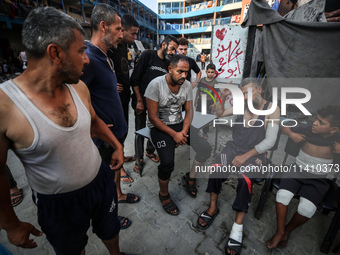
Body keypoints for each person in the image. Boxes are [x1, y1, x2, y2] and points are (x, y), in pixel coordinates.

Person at [0, 7, 126, 254]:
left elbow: (93, 120)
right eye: (81, 51)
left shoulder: (78, 87)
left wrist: (117, 145)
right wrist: (10, 224)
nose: (87, 59)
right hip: (58, 204)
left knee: (111, 230)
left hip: (100, 181)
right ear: (55, 53)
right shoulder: (5, 106)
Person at [197, 78, 280, 255]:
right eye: (242, 93)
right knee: (217, 167)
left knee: (245, 179)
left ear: (258, 89)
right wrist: (222, 97)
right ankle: (213, 207)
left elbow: (271, 141)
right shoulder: (243, 105)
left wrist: (245, 157)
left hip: (255, 154)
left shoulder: (272, 109)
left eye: (248, 92)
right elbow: (219, 114)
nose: (244, 96)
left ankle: (237, 226)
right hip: (235, 147)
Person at [80, 4, 140, 229]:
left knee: (114, 174)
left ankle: (119, 195)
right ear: (103, 26)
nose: (121, 34)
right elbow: (74, 100)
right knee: (103, 188)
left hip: (115, 136)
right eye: (117, 29)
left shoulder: (106, 57)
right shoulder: (87, 59)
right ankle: (109, 221)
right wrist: (93, 124)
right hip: (104, 139)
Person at [145, 54, 211, 215]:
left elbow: (189, 112)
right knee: (167, 163)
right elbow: (153, 117)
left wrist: (183, 131)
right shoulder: (155, 85)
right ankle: (164, 194)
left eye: (186, 72)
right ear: (170, 69)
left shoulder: (187, 85)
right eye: (180, 71)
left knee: (205, 148)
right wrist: (174, 135)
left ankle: (190, 176)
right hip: (159, 127)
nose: (183, 76)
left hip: (179, 124)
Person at [266, 105, 340, 249]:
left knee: (307, 209)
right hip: (295, 171)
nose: (315, 123)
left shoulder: (337, 138)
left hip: (318, 179)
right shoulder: (308, 129)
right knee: (282, 195)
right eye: (317, 119)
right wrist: (291, 134)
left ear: (334, 130)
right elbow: (285, 126)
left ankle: (287, 230)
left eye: (321, 122)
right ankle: (280, 231)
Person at [130, 35, 179, 173]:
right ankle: (138, 158)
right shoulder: (148, 55)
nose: (172, 52)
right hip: (140, 101)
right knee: (140, 130)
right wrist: (139, 100)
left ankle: (149, 151)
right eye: (171, 48)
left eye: (174, 50)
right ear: (163, 45)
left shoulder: (167, 65)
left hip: (156, 104)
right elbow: (134, 79)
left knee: (155, 128)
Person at [108, 13, 139, 183]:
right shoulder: (112, 47)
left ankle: (121, 154)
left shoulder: (124, 47)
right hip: (115, 100)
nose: (135, 37)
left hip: (124, 98)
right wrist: (112, 84)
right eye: (132, 34)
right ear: (122, 30)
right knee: (117, 134)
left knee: (124, 130)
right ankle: (118, 170)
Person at [194, 63, 217, 138]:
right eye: (209, 72)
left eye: (212, 72)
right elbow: (198, 90)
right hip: (200, 101)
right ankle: (196, 131)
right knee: (198, 116)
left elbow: (215, 94)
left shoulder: (215, 82)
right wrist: (195, 100)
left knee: (206, 117)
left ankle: (205, 132)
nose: (210, 74)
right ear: (206, 72)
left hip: (208, 102)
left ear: (214, 72)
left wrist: (214, 103)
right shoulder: (202, 80)